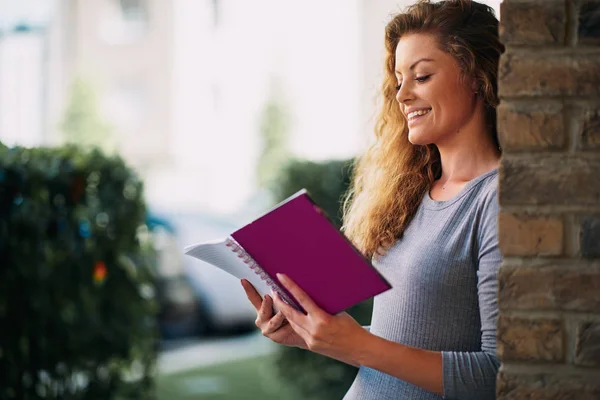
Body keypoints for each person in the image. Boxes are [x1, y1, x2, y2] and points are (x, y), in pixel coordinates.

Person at [242, 0, 504, 398]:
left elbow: (497, 377)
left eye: (422, 76)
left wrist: (359, 345)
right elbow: (405, 345)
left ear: (476, 76)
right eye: (399, 80)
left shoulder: (497, 198)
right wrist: (314, 334)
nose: (402, 95)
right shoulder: (414, 191)